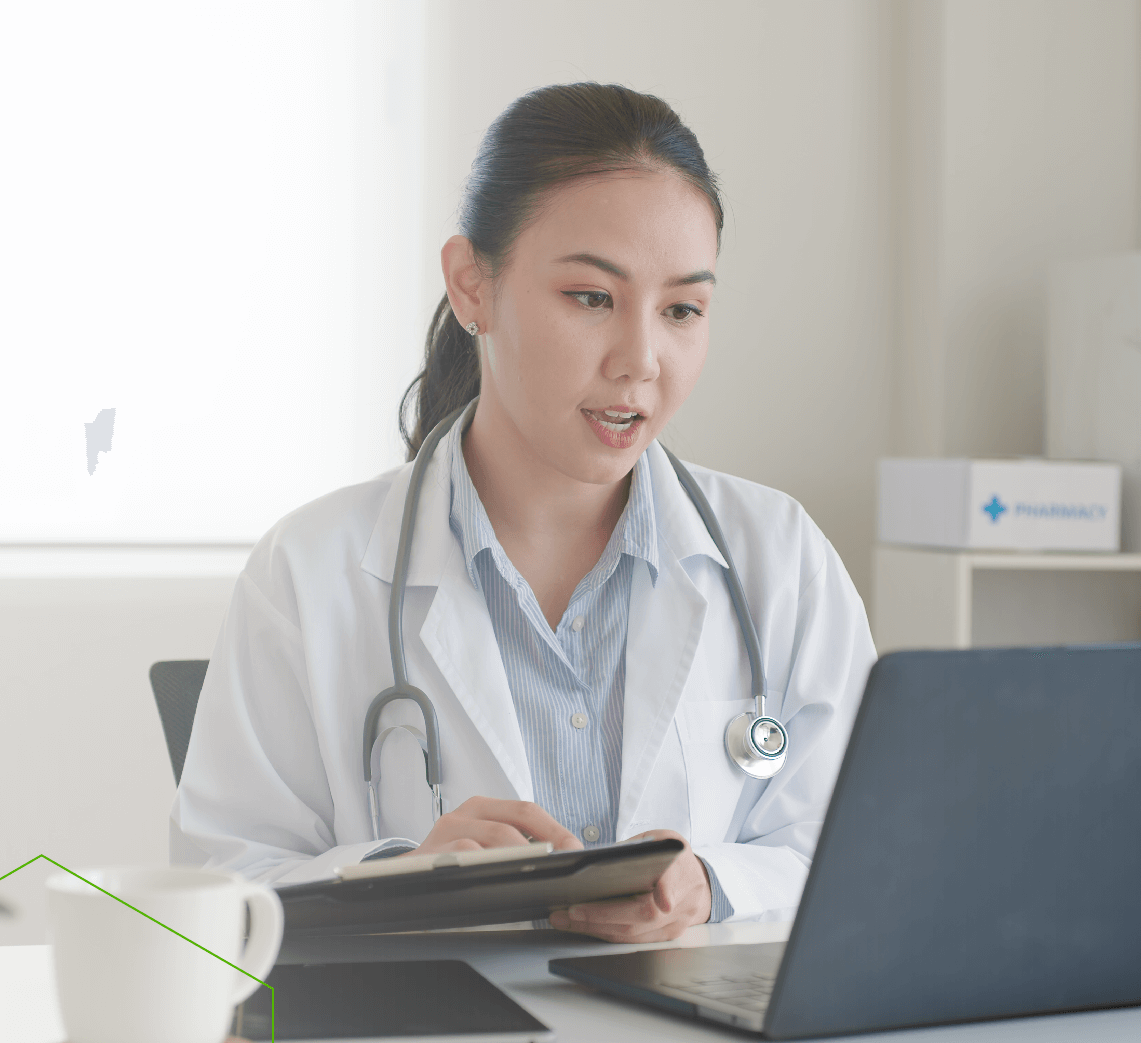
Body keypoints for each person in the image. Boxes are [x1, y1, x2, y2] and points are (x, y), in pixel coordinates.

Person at [169, 83, 875, 943]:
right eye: (590, 297)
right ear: (474, 286)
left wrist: (711, 883)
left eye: (682, 309)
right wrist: (403, 874)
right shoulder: (308, 572)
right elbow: (216, 889)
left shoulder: (781, 558)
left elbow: (866, 855)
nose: (641, 361)